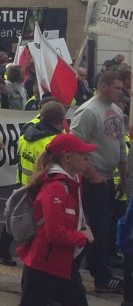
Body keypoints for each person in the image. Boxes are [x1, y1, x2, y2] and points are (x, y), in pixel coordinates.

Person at [16, 134, 96, 306]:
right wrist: (84, 238)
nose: (86, 158)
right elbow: (54, 234)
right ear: (67, 157)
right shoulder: (55, 188)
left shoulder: (71, 180)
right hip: (44, 266)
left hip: (60, 263)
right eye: (82, 154)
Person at [70, 69, 127, 293]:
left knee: (102, 229)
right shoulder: (88, 112)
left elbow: (120, 144)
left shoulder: (115, 110)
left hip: (107, 179)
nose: (121, 92)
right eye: (117, 88)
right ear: (103, 86)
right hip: (92, 180)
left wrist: (122, 177)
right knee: (94, 229)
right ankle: (95, 275)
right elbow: (75, 149)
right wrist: (93, 177)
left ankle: (91, 272)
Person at [0, 101, 66, 266]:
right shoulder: (54, 142)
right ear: (60, 120)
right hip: (41, 187)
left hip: (25, 183)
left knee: (17, 218)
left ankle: (2, 247)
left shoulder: (26, 135)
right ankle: (30, 257)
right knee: (34, 226)